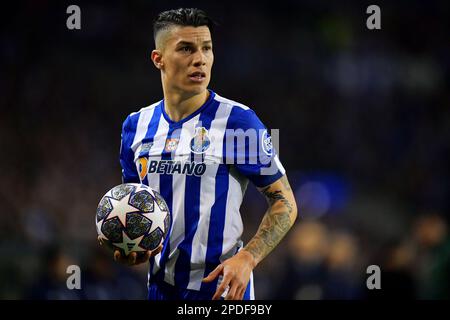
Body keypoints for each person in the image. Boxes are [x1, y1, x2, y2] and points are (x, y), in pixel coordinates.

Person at [115, 8, 297, 300]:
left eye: (207, 48)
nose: (199, 58)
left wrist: (248, 258)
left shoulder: (238, 121)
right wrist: (129, 246)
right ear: (158, 59)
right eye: (186, 48)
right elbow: (137, 207)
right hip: (159, 290)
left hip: (222, 291)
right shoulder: (135, 126)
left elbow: (284, 201)